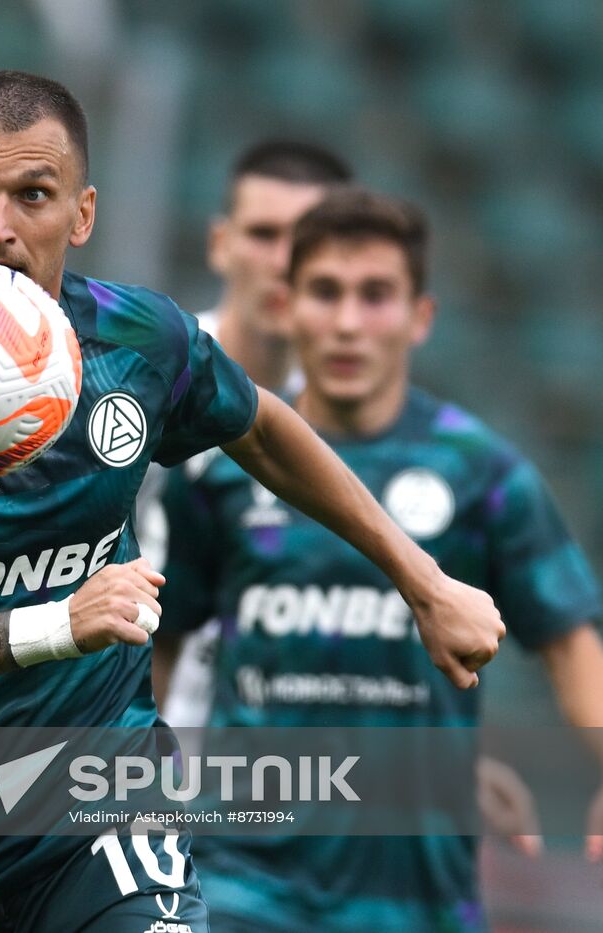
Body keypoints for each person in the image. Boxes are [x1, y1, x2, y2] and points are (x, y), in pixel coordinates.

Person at [0, 70, 504, 932]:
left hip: (92, 796)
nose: (0, 228)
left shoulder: (139, 345)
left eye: (34, 195)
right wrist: (57, 623)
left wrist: (422, 581)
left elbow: (264, 428)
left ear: (81, 214)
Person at [157, 187, 603, 931]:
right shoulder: (222, 473)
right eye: (325, 293)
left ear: (420, 316)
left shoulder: (481, 473)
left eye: (376, 296)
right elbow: (163, 649)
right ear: (286, 305)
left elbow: (569, 642)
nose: (347, 323)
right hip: (242, 881)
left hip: (413, 893)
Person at [149, 139, 352, 728]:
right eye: (264, 234)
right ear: (220, 244)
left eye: (309, 240)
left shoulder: (356, 419)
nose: (285, 262)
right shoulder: (147, 379)